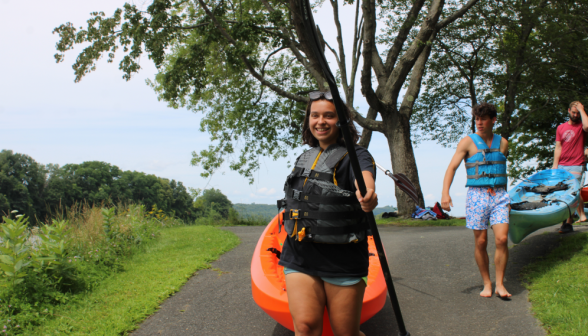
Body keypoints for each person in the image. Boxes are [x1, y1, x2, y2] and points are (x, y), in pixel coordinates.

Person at [277, 91, 378, 336]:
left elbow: (364, 180)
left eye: (329, 116)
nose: (320, 121)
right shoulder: (305, 157)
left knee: (346, 333)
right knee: (305, 327)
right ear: (308, 120)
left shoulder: (357, 155)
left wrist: (368, 194)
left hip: (342, 259)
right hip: (300, 254)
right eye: (315, 115)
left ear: (341, 121)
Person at [441, 103, 511, 300]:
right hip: (476, 195)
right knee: (481, 241)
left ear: (493, 120)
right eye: (477, 119)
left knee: (502, 239)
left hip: (499, 196)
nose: (479, 123)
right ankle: (487, 283)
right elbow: (452, 168)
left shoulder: (503, 143)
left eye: (483, 119)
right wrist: (445, 193)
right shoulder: (467, 142)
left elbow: (500, 171)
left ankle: (500, 284)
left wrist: (506, 197)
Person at [552, 101, 588, 233]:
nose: (575, 114)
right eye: (573, 112)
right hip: (562, 164)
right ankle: (564, 221)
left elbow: (587, 125)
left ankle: (568, 223)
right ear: (568, 111)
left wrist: (581, 109)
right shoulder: (560, 128)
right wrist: (555, 166)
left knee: (573, 193)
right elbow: (558, 147)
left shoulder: (581, 127)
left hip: (576, 164)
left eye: (578, 112)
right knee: (562, 193)